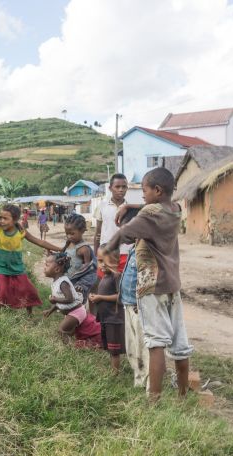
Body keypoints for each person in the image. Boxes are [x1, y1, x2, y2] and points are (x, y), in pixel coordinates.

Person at [106, 167, 193, 401]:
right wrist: (131, 207)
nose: (141, 195)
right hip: (172, 285)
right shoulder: (174, 210)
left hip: (152, 287)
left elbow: (125, 232)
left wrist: (106, 248)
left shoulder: (151, 214)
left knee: (156, 344)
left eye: (144, 190)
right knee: (179, 344)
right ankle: (183, 396)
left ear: (157, 190)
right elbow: (149, 209)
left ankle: (153, 401)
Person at [0, 204, 62, 315]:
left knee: (27, 289)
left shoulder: (21, 232)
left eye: (5, 218)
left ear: (15, 220)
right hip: (1, 267)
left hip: (17, 267)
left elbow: (39, 242)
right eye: (0, 218)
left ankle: (29, 314)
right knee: (3, 290)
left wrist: (60, 249)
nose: (2, 221)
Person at [42, 253, 102, 348]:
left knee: (61, 330)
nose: (44, 267)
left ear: (57, 269)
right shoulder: (56, 282)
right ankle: (79, 344)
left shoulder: (63, 283)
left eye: (47, 265)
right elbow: (59, 301)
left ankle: (69, 348)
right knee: (70, 332)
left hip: (76, 312)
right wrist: (50, 310)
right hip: (72, 312)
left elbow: (70, 299)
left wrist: (54, 299)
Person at [119, 235, 150, 389]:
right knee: (131, 346)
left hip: (138, 307)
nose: (124, 232)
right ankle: (138, 380)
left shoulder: (145, 250)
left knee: (142, 347)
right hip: (128, 304)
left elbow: (148, 278)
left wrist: (142, 300)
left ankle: (147, 382)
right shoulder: (132, 249)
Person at [89, 246, 125, 374]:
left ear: (116, 261)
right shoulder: (105, 276)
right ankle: (113, 370)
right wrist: (95, 297)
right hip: (106, 318)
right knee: (110, 347)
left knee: (114, 350)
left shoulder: (117, 276)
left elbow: (120, 297)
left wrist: (100, 297)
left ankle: (115, 373)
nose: (102, 265)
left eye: (106, 261)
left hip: (114, 319)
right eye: (99, 261)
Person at [94, 173, 130, 275]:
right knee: (104, 285)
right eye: (117, 187)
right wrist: (95, 255)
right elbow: (98, 232)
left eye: (124, 187)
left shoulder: (130, 208)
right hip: (106, 253)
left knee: (122, 285)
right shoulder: (102, 206)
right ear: (110, 188)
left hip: (125, 253)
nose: (121, 189)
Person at [62, 213, 97, 298]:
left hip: (77, 283)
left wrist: (81, 284)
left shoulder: (84, 249)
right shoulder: (69, 243)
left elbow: (88, 270)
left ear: (82, 231)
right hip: (67, 279)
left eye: (72, 234)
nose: (69, 236)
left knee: (77, 303)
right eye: (67, 234)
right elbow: (63, 253)